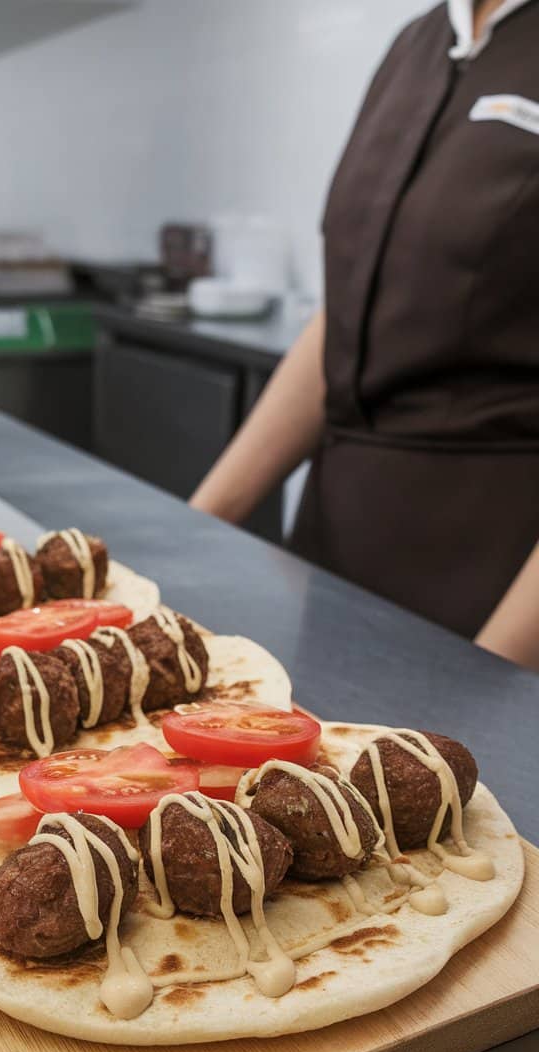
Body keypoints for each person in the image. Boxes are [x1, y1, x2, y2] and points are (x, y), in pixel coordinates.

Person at [190, 0, 539, 670]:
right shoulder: (418, 42)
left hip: (492, 584)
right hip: (335, 567)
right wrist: (198, 525)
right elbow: (346, 313)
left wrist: (498, 676)